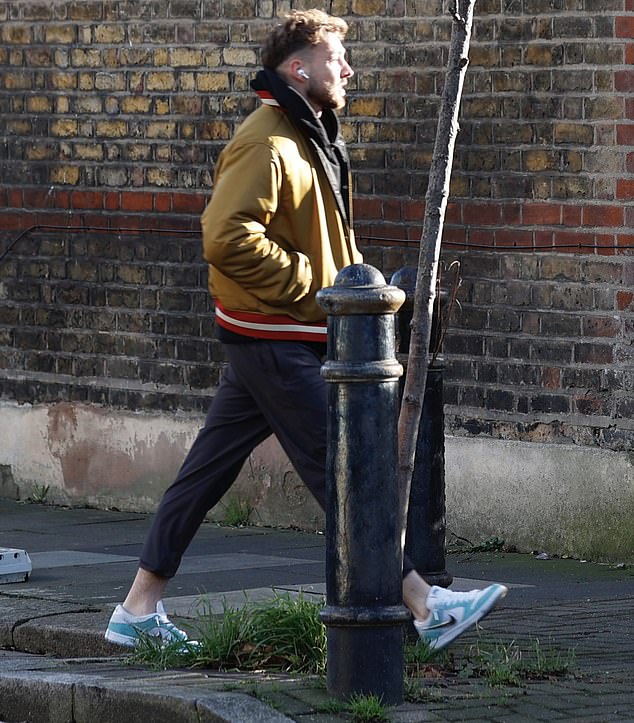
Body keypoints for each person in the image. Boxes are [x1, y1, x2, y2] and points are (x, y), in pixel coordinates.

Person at [105, 8, 507, 654]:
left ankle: (136, 606)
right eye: (334, 57)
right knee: (348, 468)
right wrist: (312, 289)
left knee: (205, 471)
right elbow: (225, 236)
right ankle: (426, 603)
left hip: (272, 334)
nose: (347, 68)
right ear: (298, 68)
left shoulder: (306, 135)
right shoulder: (267, 140)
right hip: (272, 335)